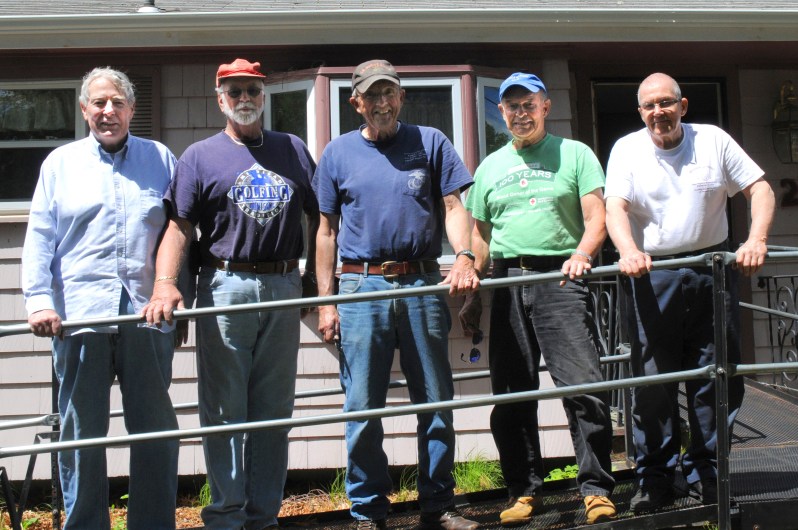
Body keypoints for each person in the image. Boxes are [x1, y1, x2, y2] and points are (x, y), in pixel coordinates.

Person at [143, 58, 319, 530]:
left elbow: (322, 218)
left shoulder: (294, 149)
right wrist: (166, 285)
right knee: (223, 409)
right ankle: (225, 516)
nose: (245, 98)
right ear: (220, 99)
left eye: (253, 90)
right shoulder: (199, 157)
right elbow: (179, 227)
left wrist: (318, 286)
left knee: (273, 409)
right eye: (235, 91)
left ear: (264, 97)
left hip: (283, 285)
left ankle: (263, 516)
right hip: (225, 286)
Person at [314, 59, 480, 530]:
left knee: (435, 399)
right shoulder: (337, 153)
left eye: (390, 93)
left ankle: (439, 506)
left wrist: (464, 255)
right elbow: (325, 232)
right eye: (372, 95)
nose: (382, 103)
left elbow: (453, 206)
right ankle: (368, 512)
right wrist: (327, 301)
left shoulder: (430, 141)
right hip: (359, 286)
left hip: (422, 282)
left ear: (401, 96)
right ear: (356, 103)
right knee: (362, 405)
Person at [604, 72, 775, 513]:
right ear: (640, 112)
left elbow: (760, 189)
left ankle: (707, 473)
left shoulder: (713, 140)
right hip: (651, 274)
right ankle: (655, 479)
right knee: (653, 385)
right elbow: (615, 208)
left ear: (683, 106)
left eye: (666, 103)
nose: (657, 112)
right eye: (649, 106)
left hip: (711, 269)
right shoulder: (627, 148)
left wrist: (755, 240)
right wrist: (627, 249)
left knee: (715, 377)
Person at [21, 67, 181, 530]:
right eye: (98, 103)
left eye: (117, 102)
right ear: (84, 109)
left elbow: (178, 230)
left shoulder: (161, 159)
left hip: (146, 318)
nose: (107, 111)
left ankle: (151, 524)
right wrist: (38, 301)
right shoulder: (60, 164)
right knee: (80, 436)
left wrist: (177, 295)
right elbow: (40, 238)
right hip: (78, 318)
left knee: (154, 430)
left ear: (132, 108)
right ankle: (86, 523)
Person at [462, 72, 617, 526]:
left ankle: (595, 489)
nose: (520, 113)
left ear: (545, 106)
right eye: (511, 106)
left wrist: (582, 254)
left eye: (528, 104)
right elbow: (481, 233)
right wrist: (472, 276)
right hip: (506, 281)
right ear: (501, 112)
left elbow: (597, 217)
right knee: (511, 393)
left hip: (560, 278)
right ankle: (524, 491)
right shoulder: (490, 167)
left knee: (582, 386)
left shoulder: (575, 154)